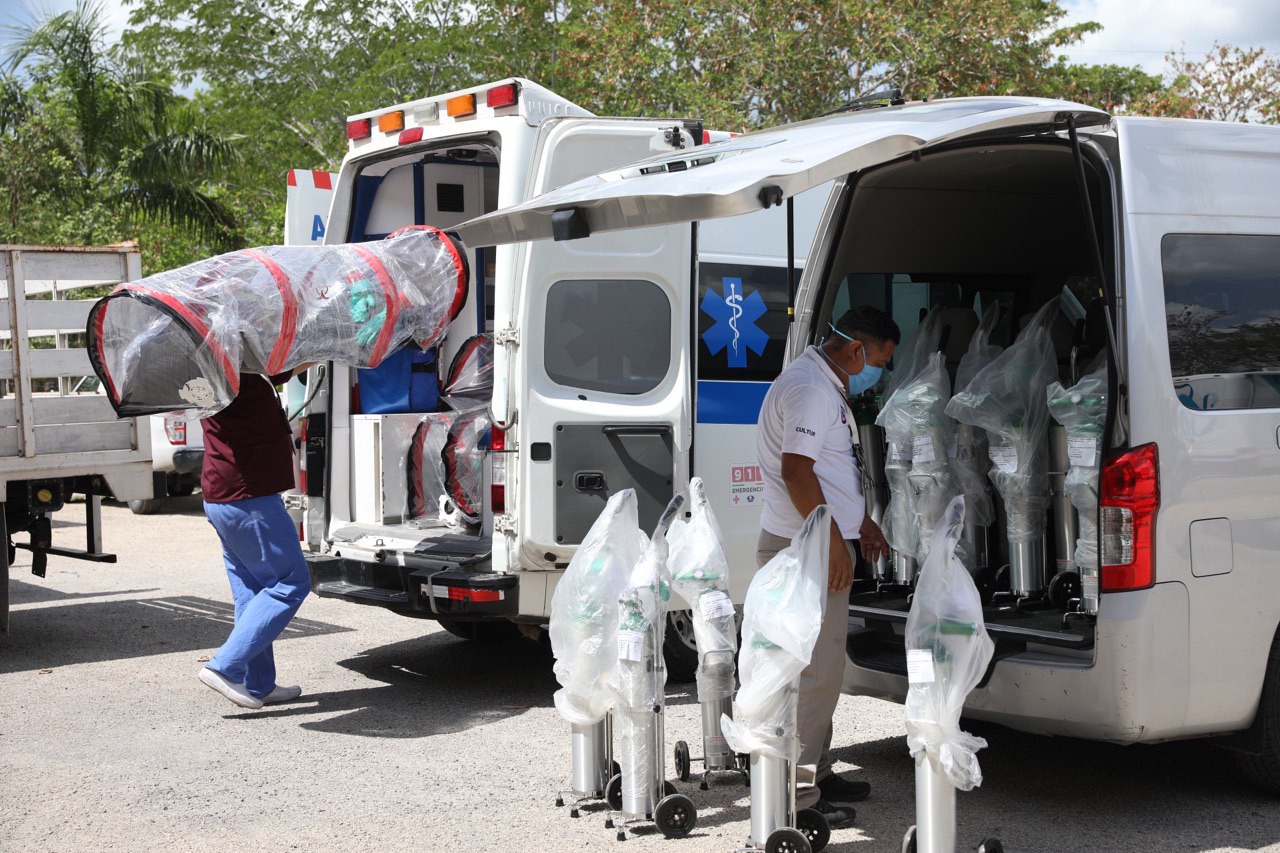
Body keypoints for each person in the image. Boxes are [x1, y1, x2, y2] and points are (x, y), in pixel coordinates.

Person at [755, 305, 898, 827]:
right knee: (814, 676)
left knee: (822, 672)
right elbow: (797, 473)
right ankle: (796, 799)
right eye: (880, 359)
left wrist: (860, 522)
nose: (878, 370)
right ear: (857, 349)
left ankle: (816, 768)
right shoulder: (813, 391)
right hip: (807, 548)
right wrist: (835, 538)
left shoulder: (819, 379)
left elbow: (828, 470)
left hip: (812, 540)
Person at [196, 370, 311, 710]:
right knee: (291, 581)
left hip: (224, 495)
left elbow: (274, 370)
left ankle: (257, 684)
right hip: (249, 497)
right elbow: (276, 367)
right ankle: (225, 666)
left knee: (251, 591)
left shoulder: (205, 372)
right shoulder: (233, 375)